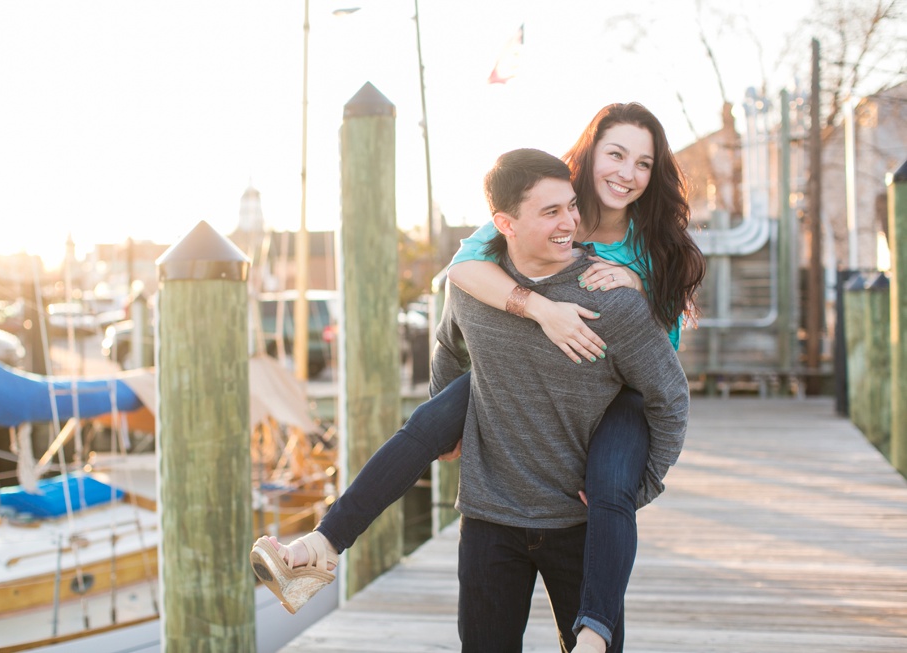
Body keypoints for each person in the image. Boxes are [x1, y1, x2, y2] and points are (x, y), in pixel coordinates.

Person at [251, 103, 704, 651]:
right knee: (425, 424)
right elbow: (458, 287)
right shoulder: (524, 218)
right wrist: (535, 311)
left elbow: (665, 380)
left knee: (612, 489)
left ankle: (595, 633)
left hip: (623, 389)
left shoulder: (651, 244)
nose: (627, 173)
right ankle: (322, 545)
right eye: (616, 155)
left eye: (643, 163)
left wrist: (631, 284)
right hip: (498, 486)